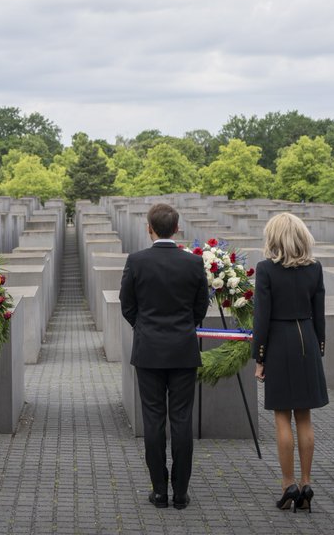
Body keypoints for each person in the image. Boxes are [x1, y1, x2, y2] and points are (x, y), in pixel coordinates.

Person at [119, 203, 209, 510]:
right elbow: (201, 307)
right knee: (182, 421)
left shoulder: (137, 261)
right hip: (183, 349)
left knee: (154, 420)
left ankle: (159, 490)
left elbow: (127, 304)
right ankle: (180, 492)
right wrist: (185, 328)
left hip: (149, 351)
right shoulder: (194, 264)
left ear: (149, 228)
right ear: (177, 227)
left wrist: (143, 328)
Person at [252, 212, 329, 513]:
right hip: (307, 340)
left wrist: (259, 357)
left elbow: (262, 318)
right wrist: (318, 348)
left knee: (282, 417)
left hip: (279, 342)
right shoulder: (315, 269)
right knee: (305, 417)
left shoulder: (265, 269)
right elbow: (319, 314)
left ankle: (288, 485)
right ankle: (307, 483)